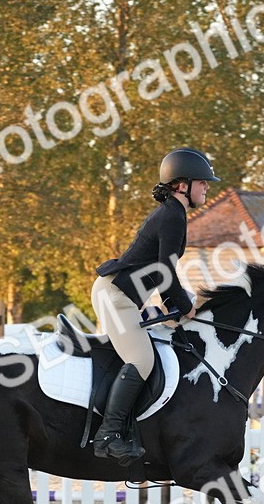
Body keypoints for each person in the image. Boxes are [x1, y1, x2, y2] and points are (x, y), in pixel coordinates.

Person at [89, 147, 219, 463]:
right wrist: (185, 305)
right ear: (181, 184)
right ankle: (108, 434)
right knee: (142, 360)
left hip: (125, 296)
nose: (207, 188)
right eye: (202, 182)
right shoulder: (173, 216)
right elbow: (165, 273)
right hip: (116, 296)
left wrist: (164, 305)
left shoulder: (173, 214)